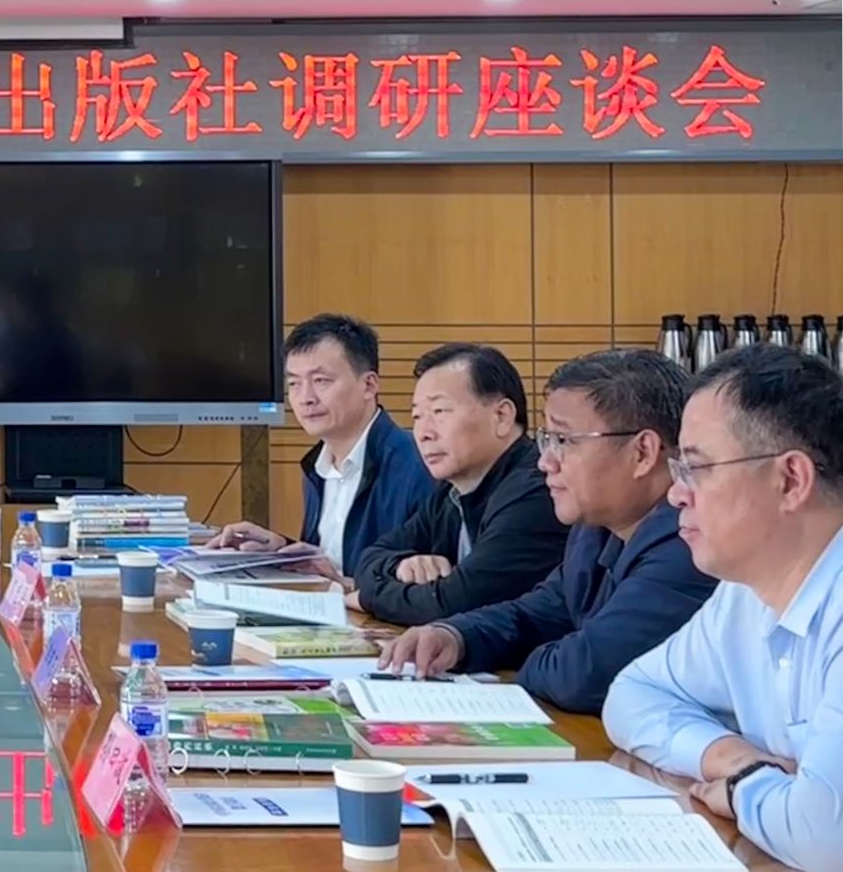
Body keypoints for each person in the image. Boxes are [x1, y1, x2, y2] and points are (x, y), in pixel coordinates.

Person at [605, 345, 843, 872]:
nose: (676, 495)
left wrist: (742, 787)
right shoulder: (745, 593)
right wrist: (729, 756)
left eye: (697, 468)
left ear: (791, 480)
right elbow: (632, 695)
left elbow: (826, 838)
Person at [378, 349, 714, 712]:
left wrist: (524, 663)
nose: (545, 462)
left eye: (564, 441)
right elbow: (534, 615)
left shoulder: (689, 543)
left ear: (643, 453)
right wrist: (455, 637)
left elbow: (583, 676)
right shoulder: (594, 531)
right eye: (546, 440)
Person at [352, 342, 568, 625]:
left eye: (439, 411)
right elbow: (369, 558)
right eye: (417, 416)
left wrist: (366, 598)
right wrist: (400, 565)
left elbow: (452, 605)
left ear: (502, 416)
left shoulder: (537, 490)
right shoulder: (451, 491)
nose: (424, 433)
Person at [208, 314, 430, 578]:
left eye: (321, 381)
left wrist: (347, 586)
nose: (306, 398)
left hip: (370, 606)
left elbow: (429, 582)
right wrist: (280, 549)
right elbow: (331, 563)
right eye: (294, 383)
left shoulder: (419, 465)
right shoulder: (316, 467)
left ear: (369, 385)